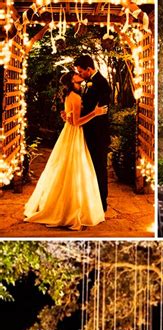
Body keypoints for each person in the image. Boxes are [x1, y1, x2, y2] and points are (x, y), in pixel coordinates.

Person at [24, 71, 107, 230]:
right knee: (73, 169)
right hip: (74, 132)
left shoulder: (73, 94)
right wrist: (95, 113)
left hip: (69, 132)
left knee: (68, 168)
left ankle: (62, 205)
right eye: (75, 74)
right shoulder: (74, 97)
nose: (78, 74)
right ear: (72, 80)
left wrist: (66, 115)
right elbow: (76, 122)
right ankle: (69, 210)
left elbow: (70, 116)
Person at [73, 54, 112, 212]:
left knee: (99, 168)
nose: (80, 74)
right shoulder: (88, 83)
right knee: (89, 168)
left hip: (98, 135)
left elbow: (101, 111)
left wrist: (83, 114)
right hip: (88, 131)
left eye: (81, 71)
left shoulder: (103, 84)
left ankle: (102, 204)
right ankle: (91, 201)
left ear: (89, 69)